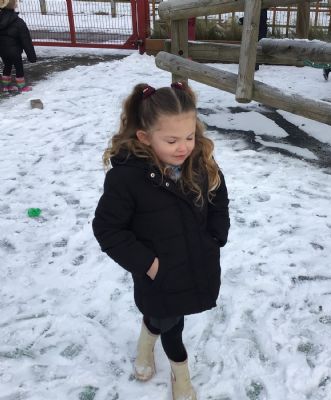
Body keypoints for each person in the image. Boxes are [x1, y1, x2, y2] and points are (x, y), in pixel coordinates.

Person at [92, 82, 230, 400]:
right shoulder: (127, 179)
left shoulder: (200, 162)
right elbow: (108, 229)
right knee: (172, 325)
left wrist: (216, 235)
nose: (183, 147)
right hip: (158, 271)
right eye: (171, 140)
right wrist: (149, 265)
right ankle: (181, 377)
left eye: (189, 136)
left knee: (164, 316)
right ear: (145, 137)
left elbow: (218, 197)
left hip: (196, 260)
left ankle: (145, 341)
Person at [0, 0, 36, 93]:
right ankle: (21, 86)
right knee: (19, 67)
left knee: (7, 65)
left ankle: (5, 86)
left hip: (2, 50)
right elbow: (26, 40)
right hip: (15, 51)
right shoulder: (19, 22)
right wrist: (31, 57)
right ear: (13, 6)